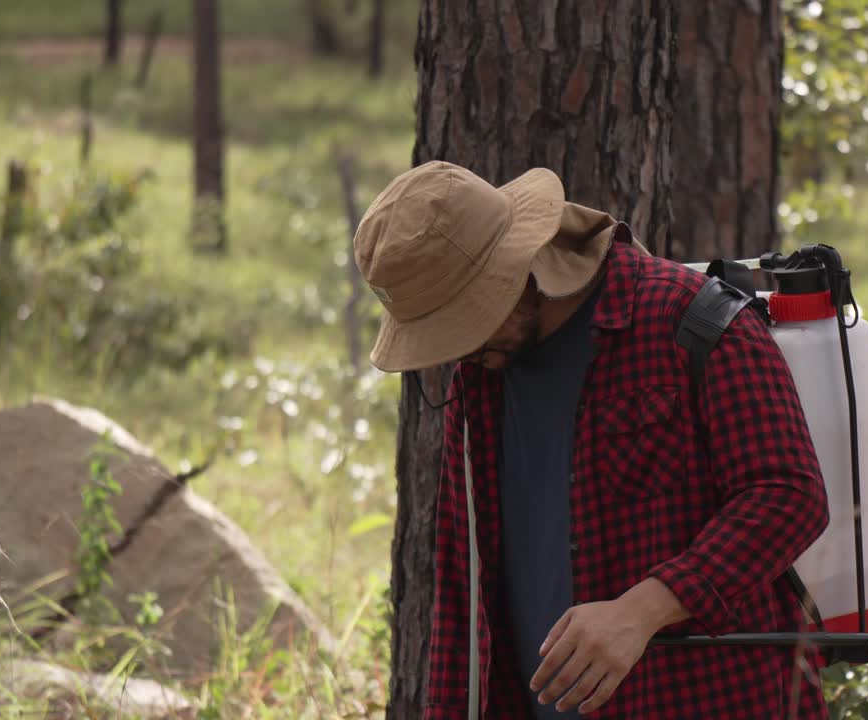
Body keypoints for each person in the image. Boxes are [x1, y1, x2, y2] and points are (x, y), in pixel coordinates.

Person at [355, 160, 830, 719]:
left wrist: (644, 609)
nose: (459, 348)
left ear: (516, 270)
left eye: (464, 320)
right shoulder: (480, 380)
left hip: (702, 701)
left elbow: (789, 495)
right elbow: (466, 586)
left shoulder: (690, 322)